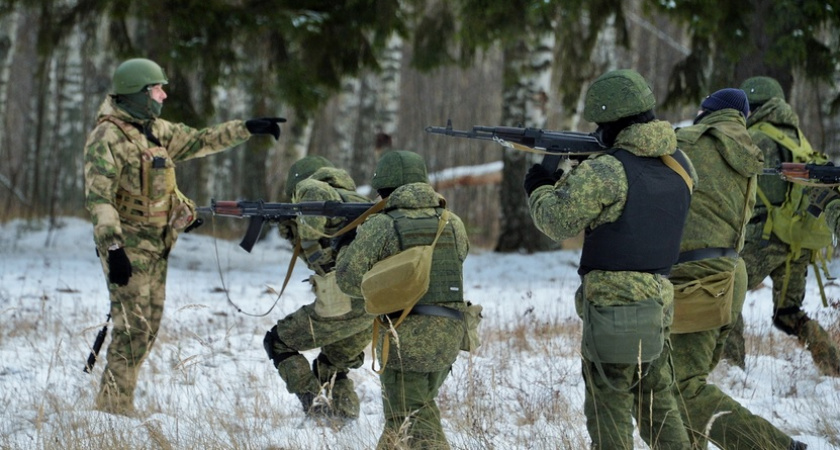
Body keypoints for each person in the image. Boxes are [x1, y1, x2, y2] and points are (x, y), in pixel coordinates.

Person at [83, 57, 284, 416]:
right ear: (137, 94)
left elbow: (200, 140)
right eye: (156, 89)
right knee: (132, 327)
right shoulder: (106, 137)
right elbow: (99, 199)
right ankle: (113, 407)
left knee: (148, 327)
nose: (162, 95)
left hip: (159, 245)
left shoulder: (155, 130)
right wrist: (113, 248)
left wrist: (246, 128)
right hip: (127, 246)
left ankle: (116, 400)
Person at [525, 69, 694, 449]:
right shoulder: (681, 163)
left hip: (614, 309)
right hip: (658, 304)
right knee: (659, 407)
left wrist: (540, 187)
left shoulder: (609, 170)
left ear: (610, 122)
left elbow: (557, 221)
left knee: (608, 413)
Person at [668, 88, 807, 450]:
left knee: (682, 387)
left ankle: (777, 446)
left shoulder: (693, 142)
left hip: (698, 278)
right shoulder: (747, 149)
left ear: (706, 112)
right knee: (685, 383)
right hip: (730, 274)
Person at [335, 150, 470, 449]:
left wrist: (345, 245)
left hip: (405, 339)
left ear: (384, 188)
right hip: (450, 336)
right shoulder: (452, 222)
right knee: (407, 419)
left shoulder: (382, 225)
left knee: (413, 424)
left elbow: (349, 280)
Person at [722, 76, 840, 377]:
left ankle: (731, 370)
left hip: (766, 239)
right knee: (788, 315)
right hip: (799, 244)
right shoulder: (799, 139)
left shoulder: (756, 138)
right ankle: (832, 366)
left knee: (725, 290)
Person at [262, 155, 373, 420]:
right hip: (377, 302)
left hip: (344, 300)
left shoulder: (312, 190)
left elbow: (316, 240)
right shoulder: (356, 202)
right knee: (333, 365)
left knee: (278, 342)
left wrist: (310, 246)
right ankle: (345, 422)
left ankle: (316, 412)